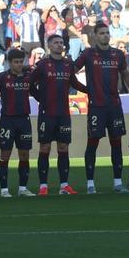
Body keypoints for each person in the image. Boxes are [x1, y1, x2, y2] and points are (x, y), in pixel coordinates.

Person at [71, 21, 129, 193]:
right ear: (95, 36)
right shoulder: (88, 54)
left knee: (116, 144)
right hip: (96, 107)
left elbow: (126, 75)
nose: (105, 35)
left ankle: (117, 183)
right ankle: (90, 184)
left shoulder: (118, 54)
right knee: (92, 144)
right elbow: (71, 73)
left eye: (107, 32)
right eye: (102, 33)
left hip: (114, 106)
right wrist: (85, 90)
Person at [28, 33, 88, 195]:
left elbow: (75, 83)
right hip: (47, 114)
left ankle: (64, 185)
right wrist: (39, 97)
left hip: (63, 113)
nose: (59, 45)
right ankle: (43, 186)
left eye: (61, 42)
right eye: (56, 42)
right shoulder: (42, 65)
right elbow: (30, 84)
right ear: (49, 46)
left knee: (63, 147)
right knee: (45, 148)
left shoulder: (68, 65)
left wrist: (90, 90)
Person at [0, 48, 35, 197]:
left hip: (24, 120)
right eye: (16, 62)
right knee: (5, 155)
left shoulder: (28, 78)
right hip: (7, 120)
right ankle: (4, 190)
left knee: (24, 155)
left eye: (21, 62)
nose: (19, 65)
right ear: (9, 63)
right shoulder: (3, 77)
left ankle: (22, 188)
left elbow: (37, 93)